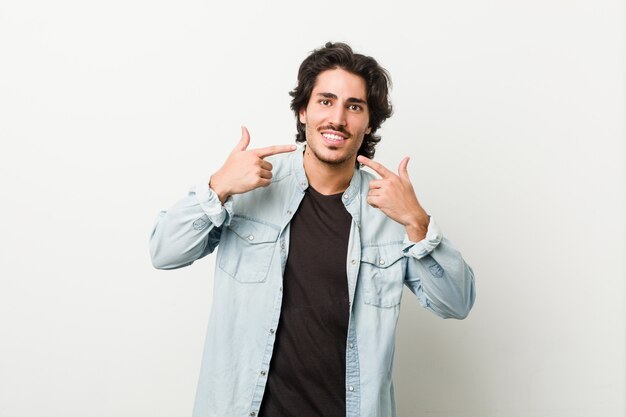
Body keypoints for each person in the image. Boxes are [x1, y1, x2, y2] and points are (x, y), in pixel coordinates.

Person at [150, 41, 476, 417]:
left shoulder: (391, 212)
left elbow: (457, 303)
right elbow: (164, 252)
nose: (337, 118)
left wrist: (417, 221)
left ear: (369, 122)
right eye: (325, 101)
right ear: (303, 111)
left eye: (354, 106)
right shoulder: (249, 185)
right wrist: (218, 187)